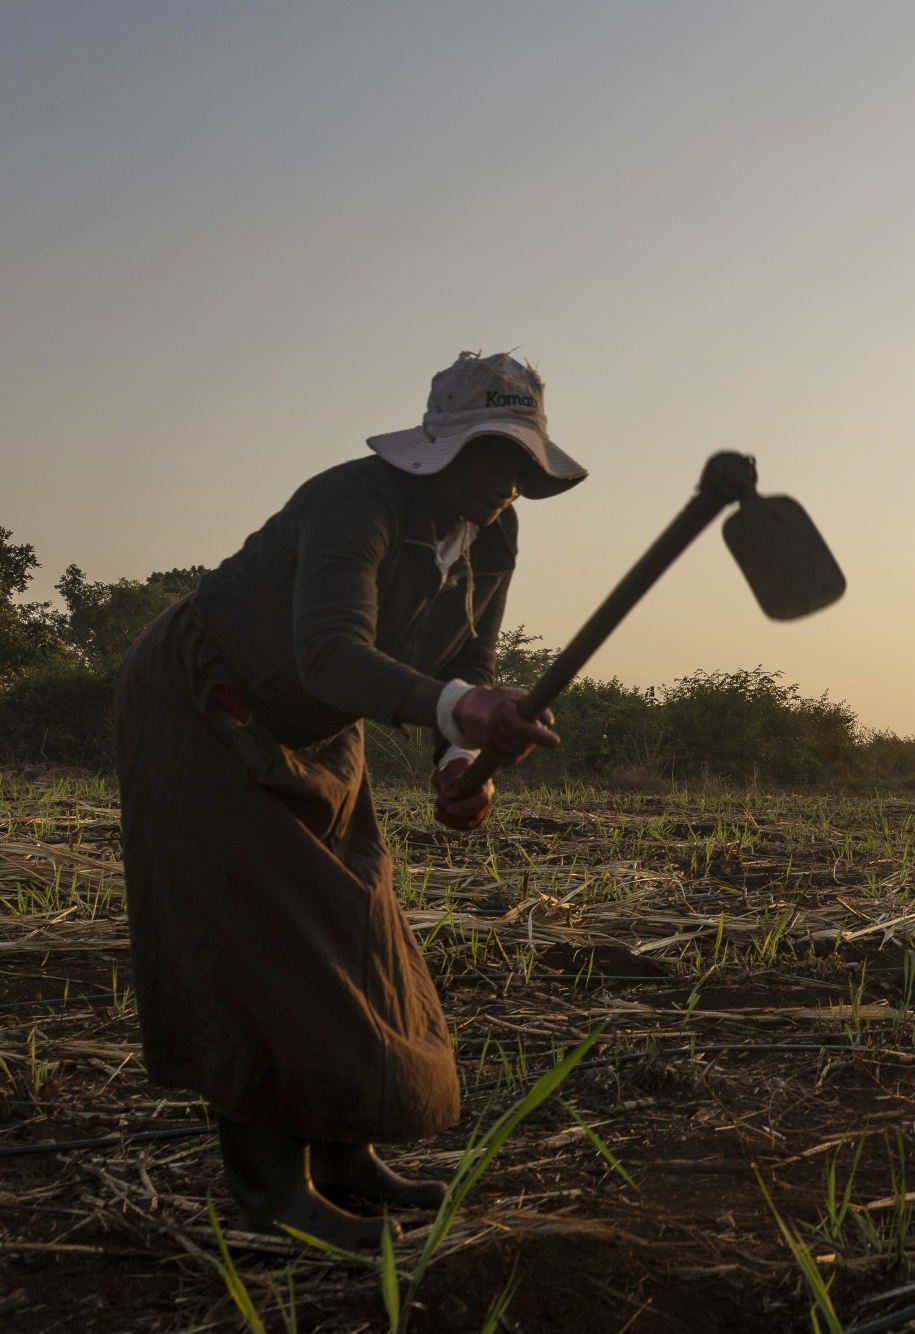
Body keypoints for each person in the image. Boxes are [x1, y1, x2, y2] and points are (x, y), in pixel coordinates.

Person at [114, 351, 586, 1245]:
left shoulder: (496, 536)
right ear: (438, 449)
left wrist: (458, 759)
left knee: (357, 917)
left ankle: (342, 1156)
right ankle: (272, 1196)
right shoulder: (353, 501)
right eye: (490, 457)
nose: (505, 484)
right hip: (204, 700)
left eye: (521, 465)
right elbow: (332, 650)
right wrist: (465, 711)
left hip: (319, 723)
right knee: (258, 931)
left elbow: (468, 668)